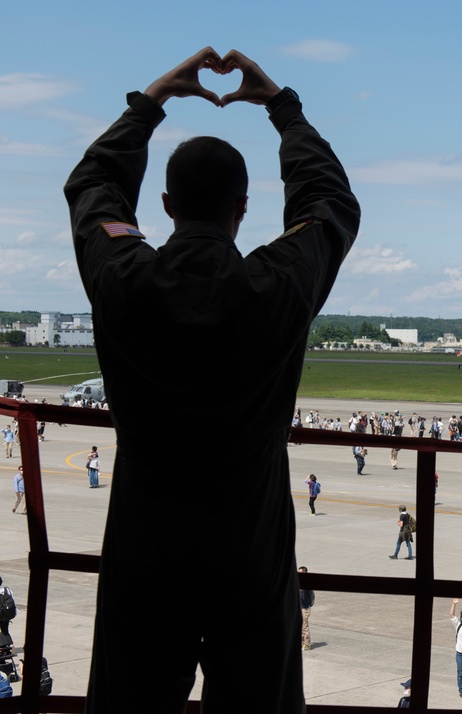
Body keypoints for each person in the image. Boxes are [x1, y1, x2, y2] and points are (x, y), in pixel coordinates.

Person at [64, 47, 360, 714]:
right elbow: (329, 202)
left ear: (165, 204)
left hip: (145, 539)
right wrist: (283, 109)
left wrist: (151, 102)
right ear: (243, 208)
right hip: (249, 544)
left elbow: (93, 187)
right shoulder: (276, 285)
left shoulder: (122, 278)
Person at [298, 566, 315, 651]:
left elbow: (311, 596)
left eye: (300, 573)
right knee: (299, 625)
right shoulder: (297, 582)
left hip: (304, 607)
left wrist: (309, 606)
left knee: (305, 626)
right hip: (298, 606)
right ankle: (301, 642)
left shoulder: (307, 583)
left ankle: (307, 644)